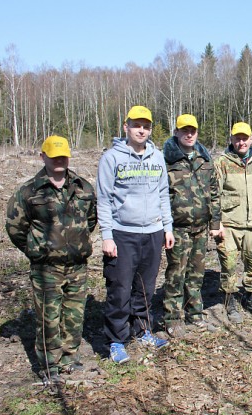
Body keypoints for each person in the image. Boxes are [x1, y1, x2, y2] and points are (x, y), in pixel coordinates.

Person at [6, 135, 96, 383]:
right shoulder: (29, 191)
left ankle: (69, 359)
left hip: (77, 266)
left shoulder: (83, 187)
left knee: (74, 316)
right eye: (53, 155)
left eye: (63, 155)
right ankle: (49, 366)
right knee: (48, 318)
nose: (59, 160)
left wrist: (75, 245)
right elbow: (16, 227)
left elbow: (91, 220)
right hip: (47, 269)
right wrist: (38, 249)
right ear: (42, 156)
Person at [96, 105, 174, 364]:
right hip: (122, 233)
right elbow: (104, 199)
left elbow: (163, 193)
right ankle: (117, 340)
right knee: (119, 289)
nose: (141, 130)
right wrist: (106, 235)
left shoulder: (157, 157)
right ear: (125, 126)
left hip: (152, 232)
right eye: (136, 125)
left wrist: (167, 227)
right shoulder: (111, 158)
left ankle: (142, 331)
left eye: (146, 126)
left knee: (145, 287)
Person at [162, 114, 221, 337]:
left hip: (201, 228)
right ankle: (172, 318)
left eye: (193, 131)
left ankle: (195, 314)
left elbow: (214, 193)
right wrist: (165, 227)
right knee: (176, 274)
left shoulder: (204, 159)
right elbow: (161, 195)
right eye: (184, 130)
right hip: (178, 228)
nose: (189, 134)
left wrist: (215, 222)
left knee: (196, 274)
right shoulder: (167, 160)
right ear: (176, 132)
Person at [215, 122, 252, 323]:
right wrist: (216, 223)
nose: (241, 142)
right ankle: (230, 303)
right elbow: (214, 195)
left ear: (251, 139)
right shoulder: (222, 163)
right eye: (237, 138)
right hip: (229, 225)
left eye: (245, 138)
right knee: (228, 266)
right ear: (231, 139)